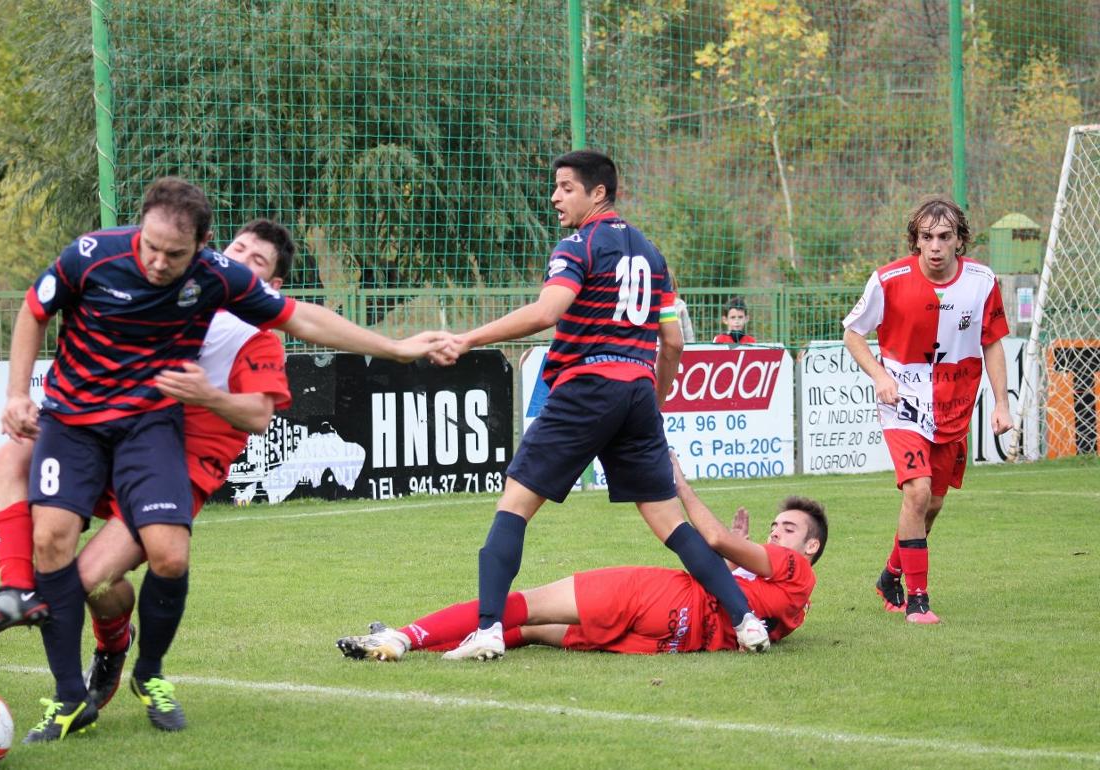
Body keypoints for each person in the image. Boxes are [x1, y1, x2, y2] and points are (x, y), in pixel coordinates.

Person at [4, 180, 450, 744]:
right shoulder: (120, 266)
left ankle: (138, 668)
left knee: (112, 570)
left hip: (173, 454)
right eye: (238, 251)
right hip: (99, 433)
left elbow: (293, 348)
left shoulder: (242, 316)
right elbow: (40, 308)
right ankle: (48, 614)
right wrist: (21, 394)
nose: (161, 263)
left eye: (254, 261)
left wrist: (396, 347)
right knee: (41, 515)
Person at [438, 150, 769, 661]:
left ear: (598, 194)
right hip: (636, 389)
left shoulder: (578, 244)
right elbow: (674, 344)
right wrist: (652, 401)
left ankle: (486, 630)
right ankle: (746, 620)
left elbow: (548, 312)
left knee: (515, 507)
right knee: (669, 521)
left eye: (566, 187)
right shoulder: (654, 256)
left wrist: (466, 339)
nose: (554, 197)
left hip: (586, 386)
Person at [0, 219, 297, 707]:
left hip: (176, 470)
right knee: (10, 454)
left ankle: (116, 648)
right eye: (237, 249)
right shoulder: (185, 295)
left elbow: (261, 414)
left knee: (88, 581)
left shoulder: (257, 336)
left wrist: (208, 394)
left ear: (272, 285)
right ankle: (15, 587)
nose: (240, 262)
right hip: (113, 442)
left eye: (256, 261)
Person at [337, 452, 826, 660]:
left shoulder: (796, 569)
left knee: (516, 606)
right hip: (667, 641)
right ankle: (412, 641)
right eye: (774, 526)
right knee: (526, 632)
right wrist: (732, 564)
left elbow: (715, 537)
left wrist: (676, 481)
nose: (774, 533)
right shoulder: (793, 606)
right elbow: (725, 593)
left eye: (787, 529)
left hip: (648, 597)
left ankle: (404, 637)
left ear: (811, 547)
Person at [842, 196, 1011, 625]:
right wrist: (881, 377)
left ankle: (890, 575)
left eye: (944, 236)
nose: (934, 246)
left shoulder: (982, 281)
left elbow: (991, 342)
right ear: (915, 241)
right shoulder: (888, 280)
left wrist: (1002, 402)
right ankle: (917, 599)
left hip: (954, 406)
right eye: (926, 237)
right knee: (916, 492)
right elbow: (853, 333)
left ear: (959, 240)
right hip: (903, 403)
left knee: (932, 504)